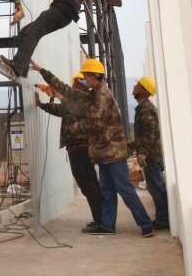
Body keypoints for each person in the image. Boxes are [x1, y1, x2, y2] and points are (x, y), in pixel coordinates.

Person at [68, 59, 154, 238]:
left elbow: (96, 122)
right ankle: (107, 225)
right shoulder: (96, 92)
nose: (84, 79)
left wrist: (76, 128)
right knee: (107, 190)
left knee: (124, 189)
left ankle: (145, 224)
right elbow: (79, 95)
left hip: (113, 153)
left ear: (94, 77)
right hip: (104, 153)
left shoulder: (102, 95)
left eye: (86, 76)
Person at [33, 64, 102, 227]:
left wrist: (42, 71)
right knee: (88, 184)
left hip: (80, 147)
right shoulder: (79, 101)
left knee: (88, 184)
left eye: (76, 83)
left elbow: (63, 103)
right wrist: (43, 104)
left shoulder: (83, 99)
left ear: (80, 84)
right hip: (77, 147)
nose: (72, 87)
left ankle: (101, 220)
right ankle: (100, 219)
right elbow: (61, 109)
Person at [130, 77, 169, 231]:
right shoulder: (143, 107)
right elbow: (143, 136)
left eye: (138, 85)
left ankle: (163, 220)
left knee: (156, 188)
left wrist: (143, 154)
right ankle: (162, 219)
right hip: (151, 154)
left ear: (144, 91)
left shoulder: (146, 109)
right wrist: (131, 145)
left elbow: (149, 135)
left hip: (151, 156)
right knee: (155, 187)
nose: (134, 86)